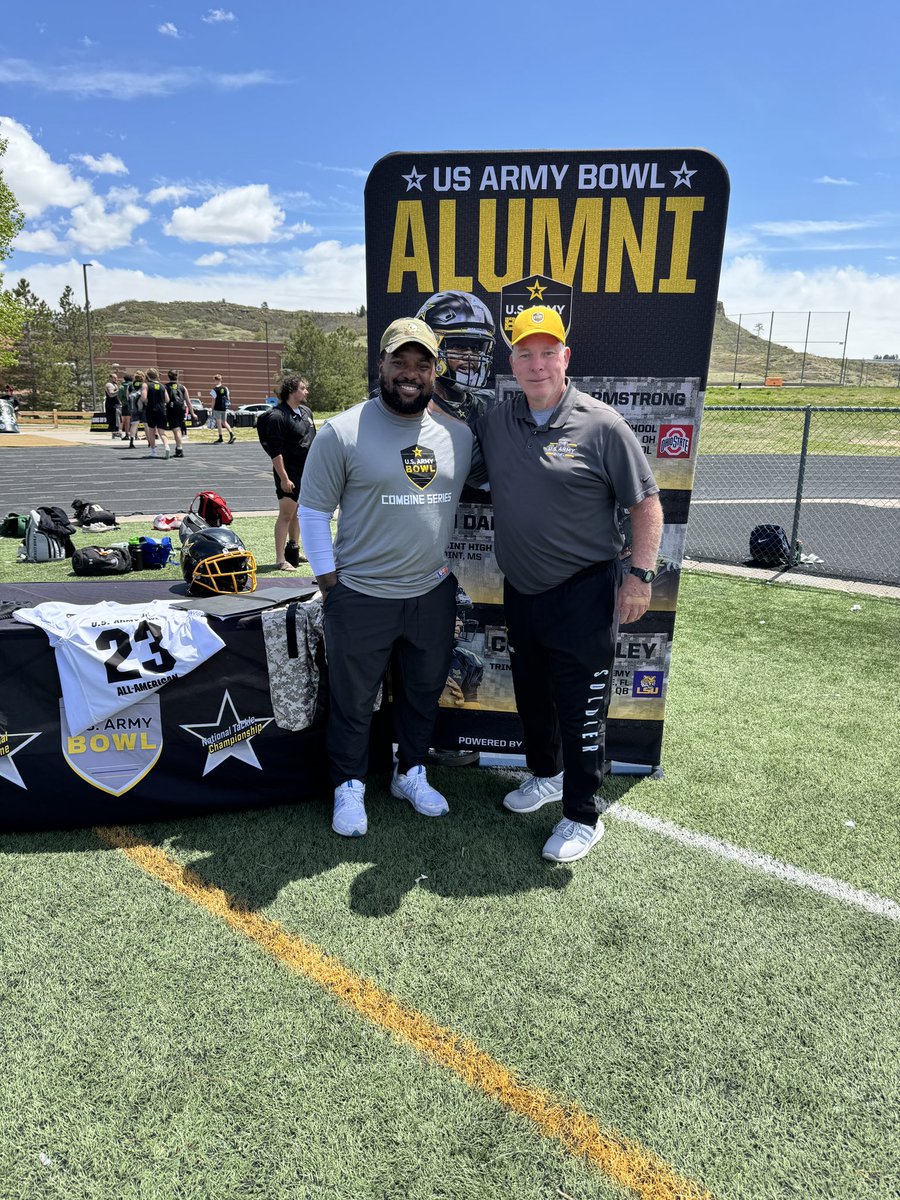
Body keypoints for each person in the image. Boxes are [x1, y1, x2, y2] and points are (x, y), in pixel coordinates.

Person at [474, 306, 663, 864]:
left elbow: (647, 505)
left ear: (565, 357)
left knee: (581, 707)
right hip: (522, 590)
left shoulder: (601, 424)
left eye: (547, 352)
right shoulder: (498, 419)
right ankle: (546, 776)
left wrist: (640, 577)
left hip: (584, 590)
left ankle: (583, 813)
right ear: (511, 361)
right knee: (533, 698)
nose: (537, 364)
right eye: (525, 353)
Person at [298, 317, 482, 838]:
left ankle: (411, 771)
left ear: (434, 371)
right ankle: (349, 785)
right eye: (399, 362)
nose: (410, 373)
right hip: (359, 593)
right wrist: (331, 582)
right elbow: (313, 513)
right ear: (380, 365)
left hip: (431, 590)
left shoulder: (459, 436)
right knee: (354, 701)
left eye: (422, 364)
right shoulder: (342, 430)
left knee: (424, 693)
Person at [416, 290, 497, 426]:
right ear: (430, 347)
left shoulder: (492, 403)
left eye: (476, 348)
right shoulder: (407, 400)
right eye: (458, 346)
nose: (470, 355)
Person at [261, 374, 316, 570]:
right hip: (289, 472)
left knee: (298, 513)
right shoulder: (277, 416)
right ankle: (280, 559)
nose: (306, 391)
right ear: (292, 391)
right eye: (303, 388)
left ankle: (294, 548)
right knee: (285, 514)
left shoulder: (305, 411)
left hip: (306, 471)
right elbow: (275, 452)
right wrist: (284, 478)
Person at [141, 368, 171, 459]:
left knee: (151, 431)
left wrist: (147, 402)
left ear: (147, 376)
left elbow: (143, 397)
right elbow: (167, 400)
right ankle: (167, 446)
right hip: (162, 410)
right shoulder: (162, 386)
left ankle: (153, 451)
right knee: (162, 432)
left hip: (151, 409)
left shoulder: (146, 385)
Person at [164, 369, 191, 458]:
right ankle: (178, 447)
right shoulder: (182, 387)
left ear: (168, 376)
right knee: (178, 429)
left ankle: (179, 448)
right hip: (181, 409)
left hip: (171, 410)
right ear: (177, 376)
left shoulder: (166, 387)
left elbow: (165, 400)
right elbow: (188, 401)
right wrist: (193, 413)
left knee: (176, 430)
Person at [210, 374, 235, 444]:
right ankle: (232, 434)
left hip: (217, 408)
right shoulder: (225, 388)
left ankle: (221, 438)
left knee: (219, 423)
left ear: (215, 380)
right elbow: (228, 398)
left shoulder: (214, 390)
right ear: (221, 380)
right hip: (224, 408)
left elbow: (213, 400)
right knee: (224, 422)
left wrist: (212, 409)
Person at [104, 373, 120, 438]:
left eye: (116, 377)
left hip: (116, 404)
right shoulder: (109, 385)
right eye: (114, 377)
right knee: (112, 419)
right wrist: (120, 391)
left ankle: (116, 432)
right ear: (110, 378)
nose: (116, 379)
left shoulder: (115, 385)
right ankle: (114, 433)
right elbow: (111, 394)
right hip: (111, 404)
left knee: (117, 419)